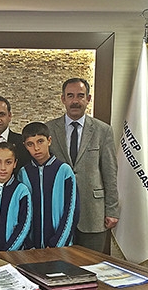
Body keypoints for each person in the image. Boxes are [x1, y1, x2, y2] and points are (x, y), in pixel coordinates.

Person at [45, 78, 119, 254]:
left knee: (91, 264)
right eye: (70, 96)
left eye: (80, 96)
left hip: (93, 213)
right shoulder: (49, 129)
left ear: (88, 99)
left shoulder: (103, 130)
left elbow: (110, 173)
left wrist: (112, 210)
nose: (75, 101)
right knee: (59, 263)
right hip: (59, 212)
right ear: (63, 99)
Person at [17, 122, 78, 248]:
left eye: (40, 141)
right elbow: (20, 212)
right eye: (30, 144)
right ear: (25, 146)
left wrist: (58, 243)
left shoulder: (64, 171)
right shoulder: (23, 173)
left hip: (60, 245)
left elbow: (71, 209)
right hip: (31, 247)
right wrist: (28, 243)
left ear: (49, 141)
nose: (36, 148)